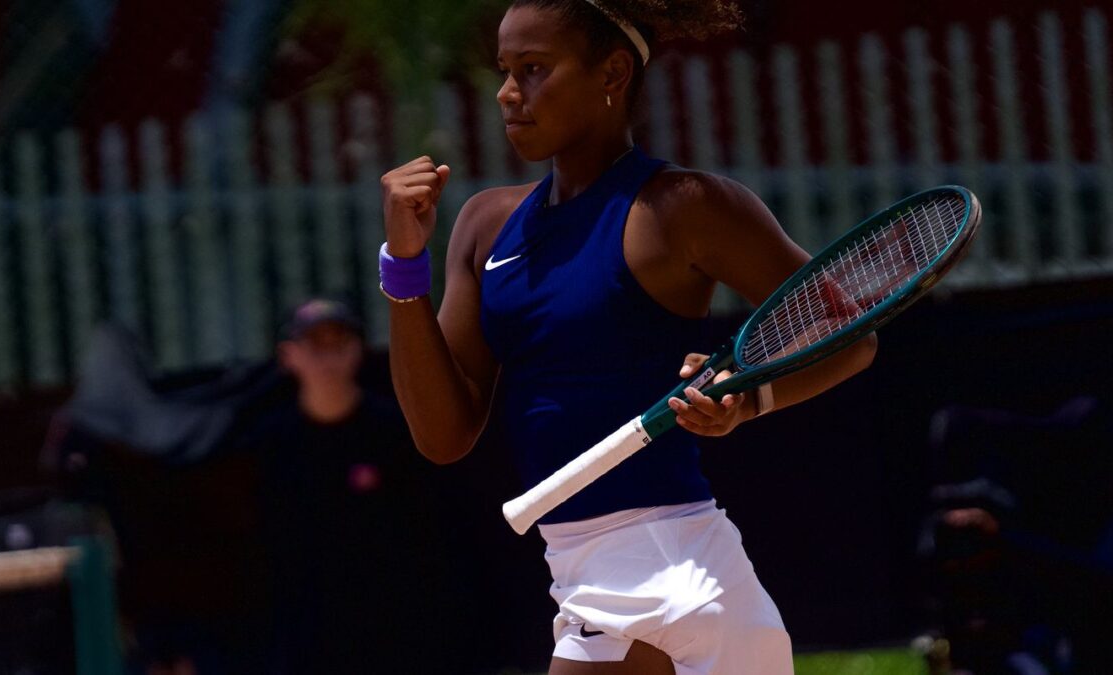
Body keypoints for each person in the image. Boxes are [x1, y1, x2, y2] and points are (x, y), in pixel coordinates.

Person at [378, 2, 878, 673]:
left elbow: (849, 334)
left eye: (533, 69)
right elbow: (443, 435)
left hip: (681, 577)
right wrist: (404, 267)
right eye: (505, 69)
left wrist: (747, 398)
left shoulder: (685, 208)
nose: (506, 92)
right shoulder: (484, 226)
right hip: (582, 573)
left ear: (611, 71)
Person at [257, 298, 445, 674]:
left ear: (359, 349)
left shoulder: (393, 432)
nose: (328, 358)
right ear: (288, 355)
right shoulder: (269, 443)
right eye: (314, 345)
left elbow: (426, 532)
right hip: (304, 630)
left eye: (339, 343)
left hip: (390, 625)